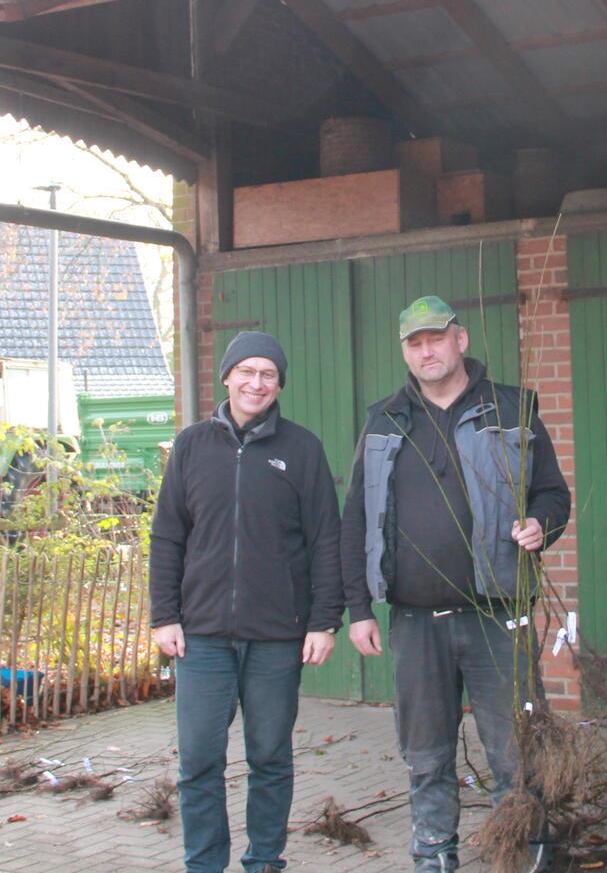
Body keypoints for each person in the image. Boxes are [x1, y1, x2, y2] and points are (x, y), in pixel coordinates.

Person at [340, 296, 571, 873]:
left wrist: (543, 525)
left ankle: (521, 849)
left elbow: (553, 493)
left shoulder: (510, 408)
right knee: (425, 749)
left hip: (497, 615)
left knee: (515, 745)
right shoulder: (384, 420)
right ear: (405, 351)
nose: (427, 351)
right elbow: (355, 519)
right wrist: (358, 608)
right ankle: (434, 851)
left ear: (460, 340)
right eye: (414, 343)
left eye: (436, 338)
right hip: (416, 620)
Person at [150, 330, 344, 873]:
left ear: (279, 384)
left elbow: (326, 538)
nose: (256, 383)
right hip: (203, 636)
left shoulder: (301, 449)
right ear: (228, 377)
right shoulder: (191, 445)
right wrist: (164, 616)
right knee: (199, 764)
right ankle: (205, 864)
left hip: (277, 637)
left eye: (268, 375)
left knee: (270, 759)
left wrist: (325, 621)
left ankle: (264, 862)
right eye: (247, 372)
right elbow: (167, 536)